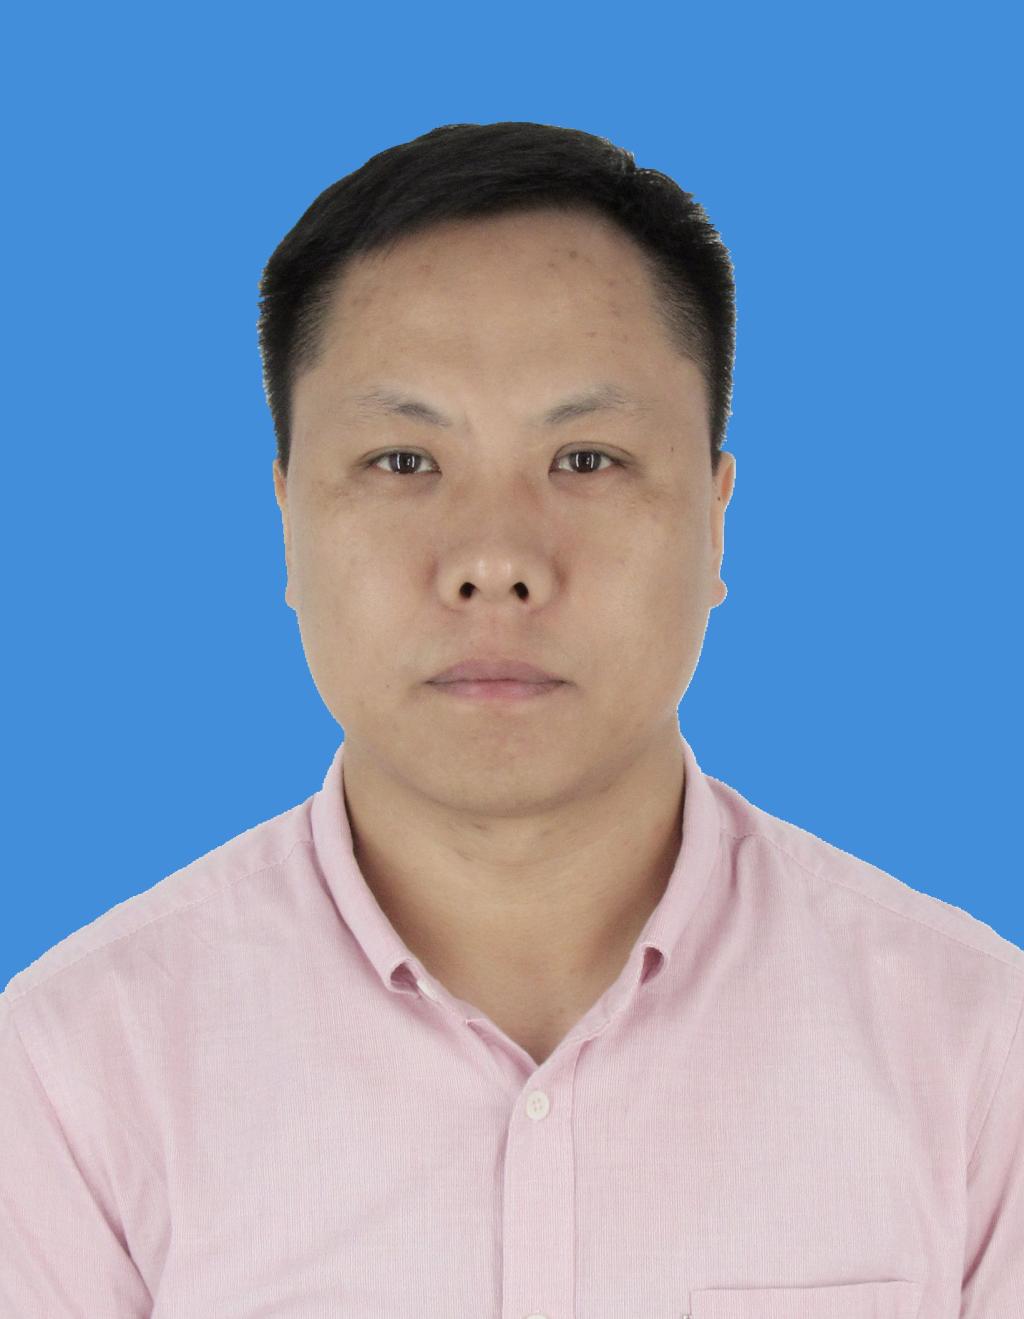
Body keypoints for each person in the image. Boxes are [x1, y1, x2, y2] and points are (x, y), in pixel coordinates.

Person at [2, 121, 1020, 1317]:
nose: (495, 559)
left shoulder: (975, 1050)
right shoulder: (73, 1073)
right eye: (402, 461)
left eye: (586, 458)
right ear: (286, 515)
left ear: (714, 519)